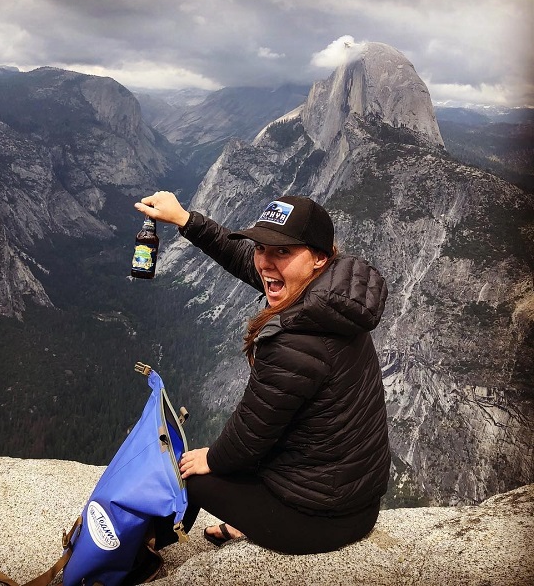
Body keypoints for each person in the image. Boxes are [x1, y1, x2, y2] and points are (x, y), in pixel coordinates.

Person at [134, 190, 390, 556]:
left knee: (183, 473)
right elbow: (244, 258)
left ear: (317, 257)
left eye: (282, 251)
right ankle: (246, 516)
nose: (265, 262)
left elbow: (250, 437)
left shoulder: (297, 343)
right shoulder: (330, 296)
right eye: (261, 247)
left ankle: (143, 554)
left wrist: (212, 459)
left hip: (318, 519)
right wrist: (184, 220)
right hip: (352, 497)